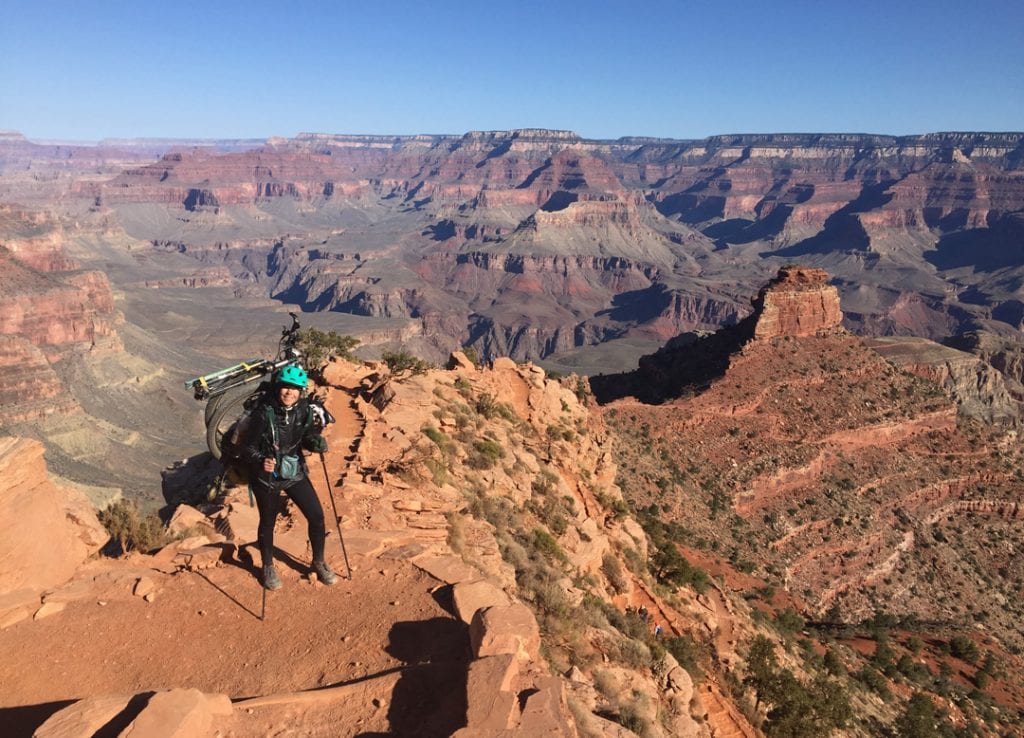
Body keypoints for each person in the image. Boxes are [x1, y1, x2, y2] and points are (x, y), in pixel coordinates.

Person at [242, 363, 336, 590]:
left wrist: (314, 442)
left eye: (295, 388)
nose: (289, 392)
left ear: (301, 391)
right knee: (268, 523)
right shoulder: (263, 414)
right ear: (278, 387)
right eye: (285, 386)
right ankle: (267, 566)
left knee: (316, 516)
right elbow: (247, 448)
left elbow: (305, 437)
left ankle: (318, 562)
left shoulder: (304, 410)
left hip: (293, 471)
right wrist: (260, 460)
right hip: (266, 476)